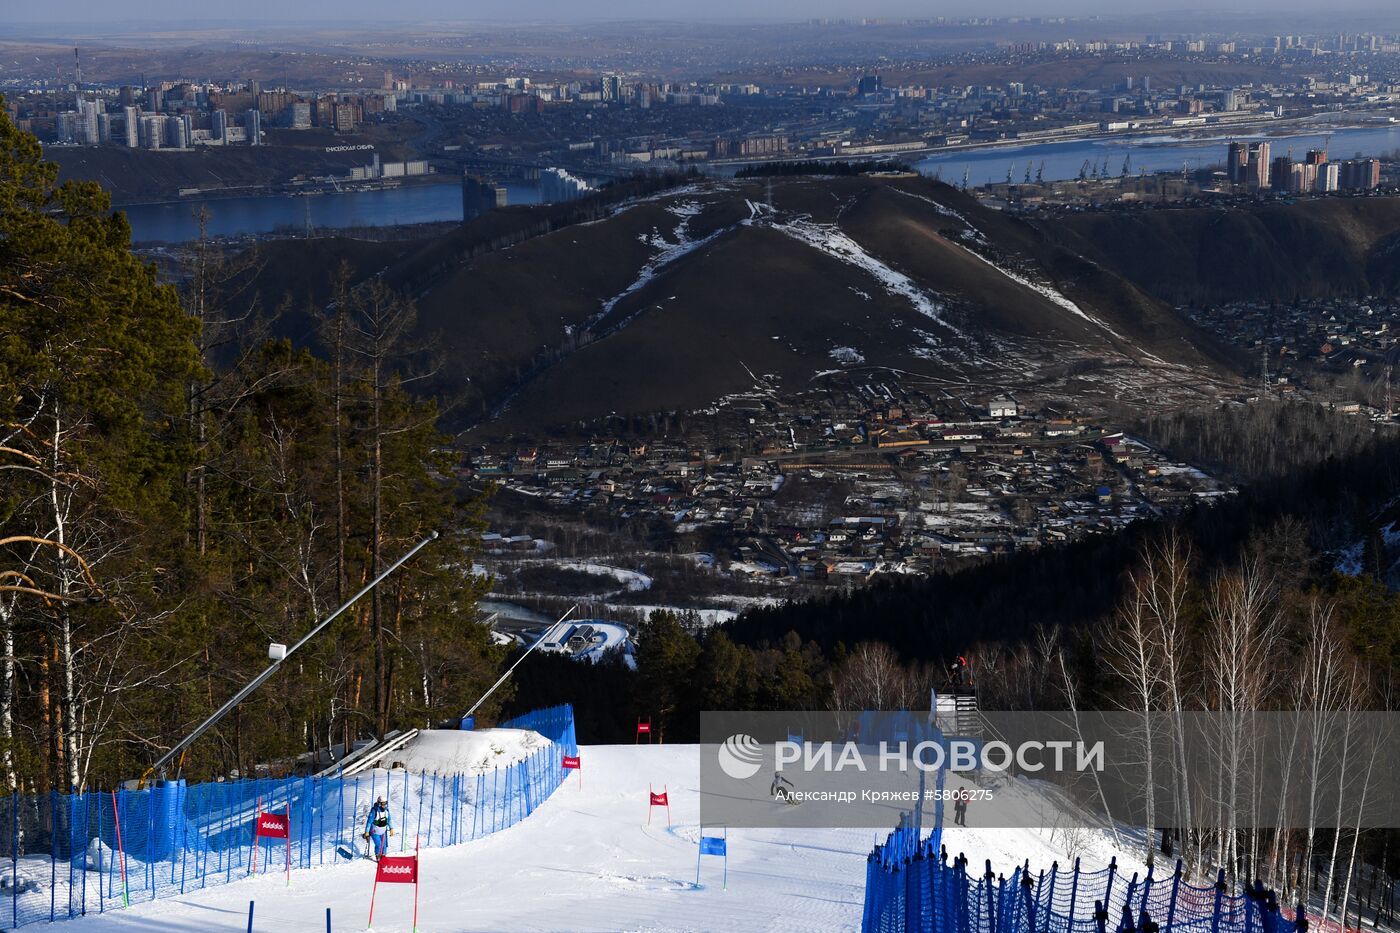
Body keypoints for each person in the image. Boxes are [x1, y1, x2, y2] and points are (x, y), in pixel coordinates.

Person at [362, 795, 394, 860]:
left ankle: (383, 856)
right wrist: (367, 832)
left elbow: (389, 819)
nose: (384, 805)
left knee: (384, 845)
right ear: (379, 803)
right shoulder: (374, 811)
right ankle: (378, 856)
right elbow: (369, 822)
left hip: (383, 831)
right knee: (379, 845)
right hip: (375, 831)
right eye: (383, 803)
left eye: (385, 803)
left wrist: (391, 828)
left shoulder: (386, 810)